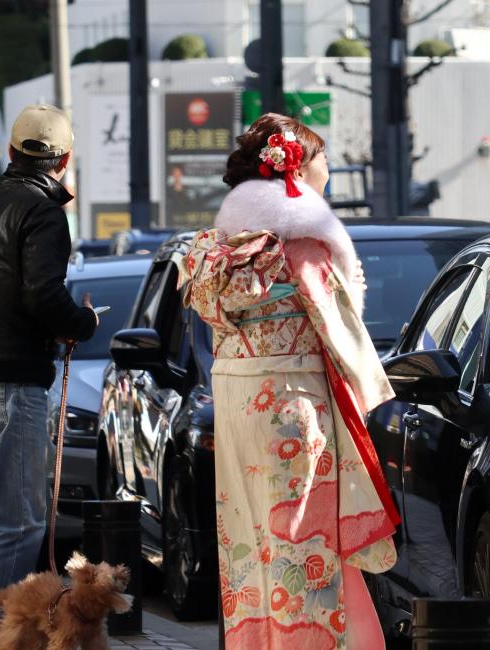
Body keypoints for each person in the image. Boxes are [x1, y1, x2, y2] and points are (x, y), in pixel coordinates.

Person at [180, 113, 400, 649]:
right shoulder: (300, 243)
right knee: (303, 538)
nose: (328, 167)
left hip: (237, 403)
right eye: (321, 157)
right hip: (292, 407)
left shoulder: (216, 247)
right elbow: (339, 330)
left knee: (249, 537)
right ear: (295, 169)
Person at [0, 104, 99, 650]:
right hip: (11, 382)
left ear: (11, 153)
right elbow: (42, 295)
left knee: (4, 521)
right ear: (64, 160)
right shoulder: (41, 211)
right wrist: (81, 321)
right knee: (18, 527)